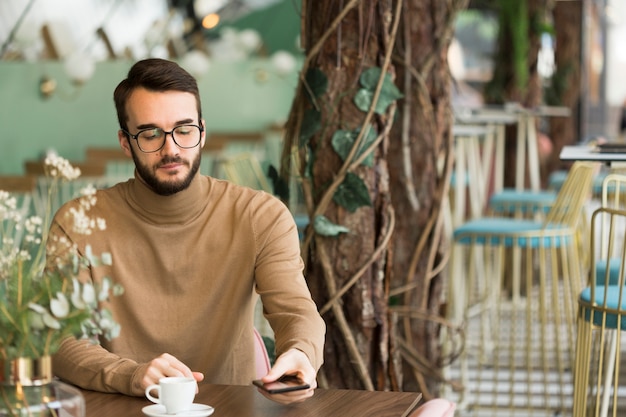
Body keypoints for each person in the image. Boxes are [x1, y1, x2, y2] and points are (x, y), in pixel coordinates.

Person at [49, 58, 325, 404]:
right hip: (121, 408)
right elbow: (59, 340)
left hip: (231, 409)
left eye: (184, 130)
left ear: (202, 132)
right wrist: (132, 374)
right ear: (125, 142)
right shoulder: (78, 222)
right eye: (150, 134)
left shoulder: (260, 216)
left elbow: (296, 311)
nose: (171, 149)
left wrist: (302, 351)